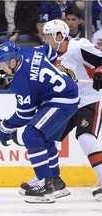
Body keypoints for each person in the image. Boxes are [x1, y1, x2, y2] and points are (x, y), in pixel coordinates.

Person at [22, 19, 102, 202]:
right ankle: (53, 181)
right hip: (65, 104)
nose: (45, 41)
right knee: (44, 137)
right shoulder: (45, 56)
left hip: (88, 100)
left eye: (48, 36)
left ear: (60, 36)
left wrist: (99, 72)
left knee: (86, 139)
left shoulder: (78, 47)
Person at [0, 41, 79, 203]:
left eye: (3, 65)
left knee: (31, 135)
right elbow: (50, 52)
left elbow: (25, 115)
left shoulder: (21, 82)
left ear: (13, 62)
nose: (2, 69)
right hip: (65, 95)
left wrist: (6, 126)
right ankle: (56, 182)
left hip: (62, 101)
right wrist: (47, 78)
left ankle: (45, 186)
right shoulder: (27, 51)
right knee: (44, 139)